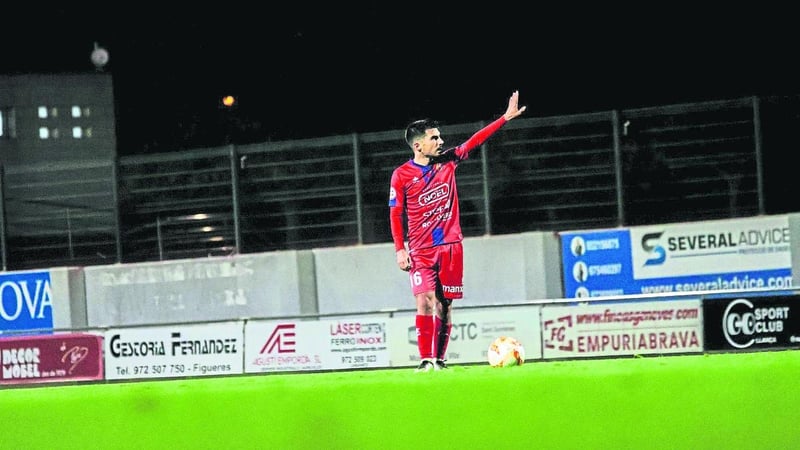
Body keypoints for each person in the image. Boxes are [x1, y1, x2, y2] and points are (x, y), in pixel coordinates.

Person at [388, 91, 527, 372]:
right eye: (434, 138)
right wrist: (400, 249)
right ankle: (426, 361)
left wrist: (504, 118)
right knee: (424, 301)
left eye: (440, 137)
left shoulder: (449, 160)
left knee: (445, 306)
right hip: (421, 250)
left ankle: (439, 360)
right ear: (418, 145)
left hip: (451, 247)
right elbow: (395, 213)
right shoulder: (401, 175)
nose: (441, 141)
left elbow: (475, 141)